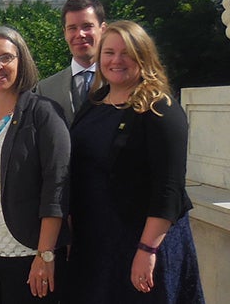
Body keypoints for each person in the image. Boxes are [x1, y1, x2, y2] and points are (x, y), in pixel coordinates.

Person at [66, 21, 204, 303]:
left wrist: (147, 250)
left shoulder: (159, 109)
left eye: (127, 53)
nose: (117, 60)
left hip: (142, 243)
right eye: (109, 52)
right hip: (95, 241)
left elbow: (169, 189)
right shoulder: (95, 103)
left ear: (144, 57)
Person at [0, 26, 70, 304]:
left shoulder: (44, 113)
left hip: (25, 255)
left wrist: (45, 255)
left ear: (21, 61)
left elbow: (56, 187)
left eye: (6, 57)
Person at [36, 0, 106, 124]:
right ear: (65, 33)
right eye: (72, 28)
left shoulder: (120, 81)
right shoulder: (46, 89)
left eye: (87, 26)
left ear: (103, 29)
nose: (80, 34)